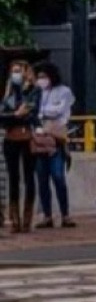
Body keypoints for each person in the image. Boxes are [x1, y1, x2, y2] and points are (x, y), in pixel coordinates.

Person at [32, 62, 76, 229]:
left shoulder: (64, 91)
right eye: (39, 77)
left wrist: (43, 112)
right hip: (40, 138)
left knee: (58, 177)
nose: (41, 80)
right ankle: (47, 215)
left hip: (56, 139)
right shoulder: (38, 92)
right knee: (42, 179)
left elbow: (60, 111)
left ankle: (65, 214)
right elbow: (35, 110)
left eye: (44, 76)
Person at [2, 61, 39, 236]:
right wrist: (16, 115)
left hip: (26, 138)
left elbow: (31, 114)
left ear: (25, 72)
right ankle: (14, 219)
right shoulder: (8, 93)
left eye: (19, 71)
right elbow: (3, 118)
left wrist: (14, 117)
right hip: (10, 138)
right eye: (13, 71)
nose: (16, 75)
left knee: (29, 177)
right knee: (13, 178)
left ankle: (27, 219)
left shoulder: (32, 91)